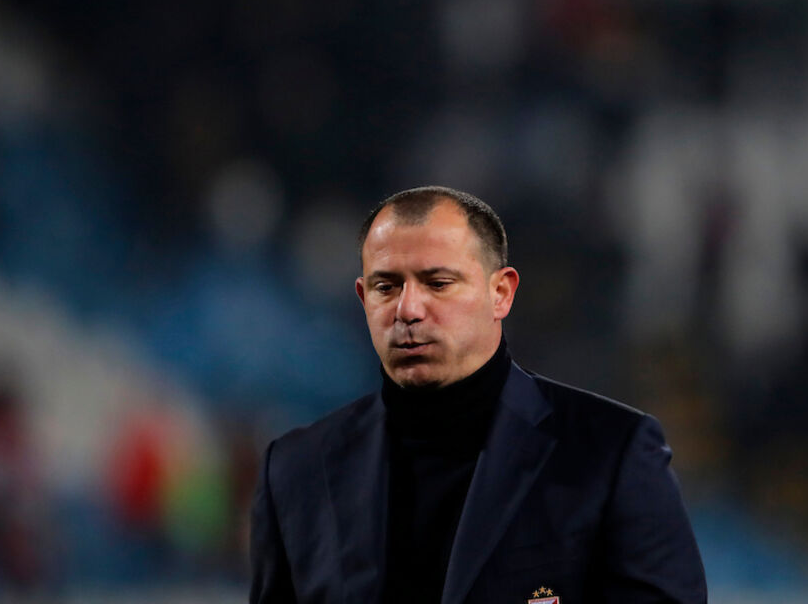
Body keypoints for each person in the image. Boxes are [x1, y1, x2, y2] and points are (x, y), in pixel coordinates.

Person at [250, 186, 706, 603]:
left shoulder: (610, 453)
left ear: (501, 293)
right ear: (362, 297)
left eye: (438, 283)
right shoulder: (295, 471)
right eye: (385, 287)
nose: (408, 309)